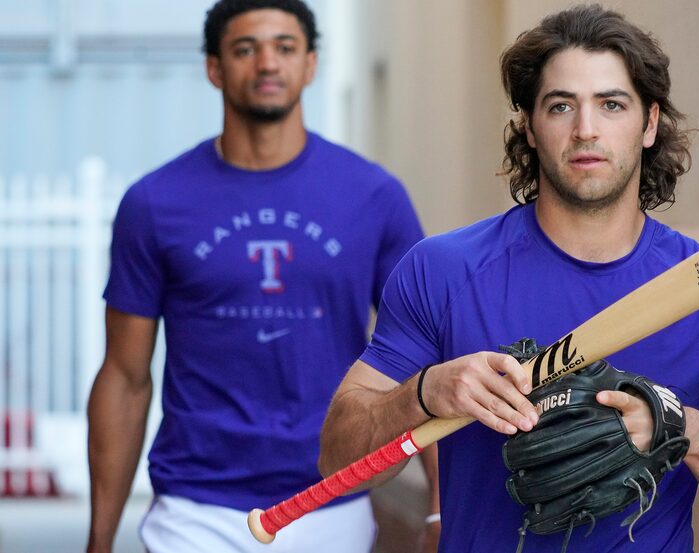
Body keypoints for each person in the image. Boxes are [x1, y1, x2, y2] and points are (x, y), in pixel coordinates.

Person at [318, 5, 699, 552]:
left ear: (648, 124)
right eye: (561, 106)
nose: (586, 129)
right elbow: (338, 463)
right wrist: (424, 393)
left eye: (611, 104)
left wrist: (682, 428)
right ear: (529, 126)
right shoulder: (443, 270)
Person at [85, 1, 436, 552]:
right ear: (215, 68)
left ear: (311, 63)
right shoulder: (155, 203)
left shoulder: (373, 196)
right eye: (246, 49)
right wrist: (99, 539)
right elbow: (125, 377)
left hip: (332, 497)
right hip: (193, 507)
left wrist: (439, 513)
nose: (267, 63)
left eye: (285, 47)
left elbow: (428, 358)